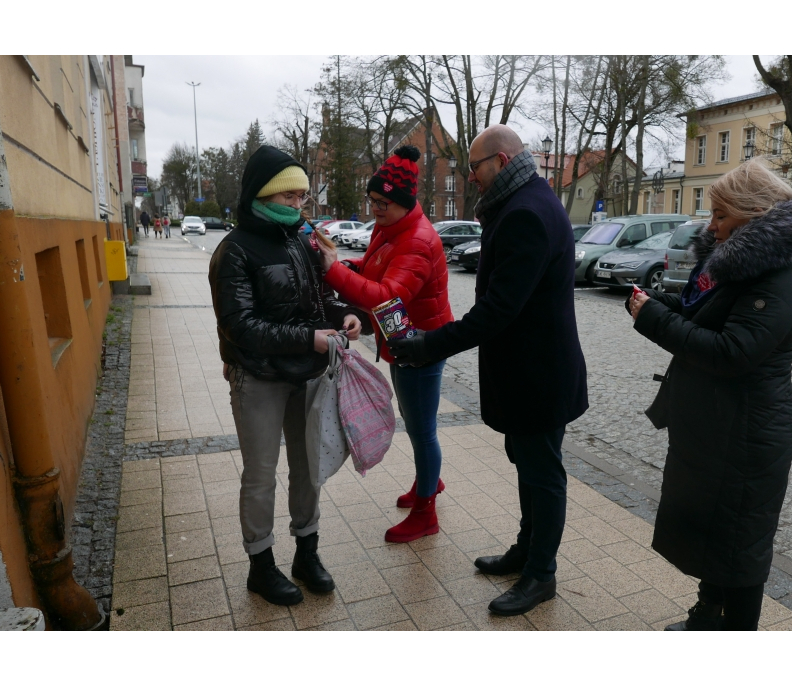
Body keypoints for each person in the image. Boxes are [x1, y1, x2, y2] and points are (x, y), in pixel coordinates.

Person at [388, 125, 588, 617]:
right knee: (528, 466)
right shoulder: (525, 200)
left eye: (473, 167)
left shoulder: (526, 213)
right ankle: (527, 550)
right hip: (529, 371)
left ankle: (541, 574)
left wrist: (429, 344)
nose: (470, 177)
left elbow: (499, 310)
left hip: (538, 374)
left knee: (543, 474)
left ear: (500, 160)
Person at [627, 159, 792, 631]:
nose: (710, 225)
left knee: (739, 547)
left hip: (747, 435)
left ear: (754, 213)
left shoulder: (778, 277)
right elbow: (708, 319)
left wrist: (653, 320)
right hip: (717, 427)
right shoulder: (734, 267)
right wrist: (659, 305)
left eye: (720, 215)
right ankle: (706, 617)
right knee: (711, 534)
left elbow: (732, 352)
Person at [208, 145, 369, 607]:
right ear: (263, 195)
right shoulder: (234, 250)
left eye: (302, 197)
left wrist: (346, 317)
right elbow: (241, 326)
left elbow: (318, 302)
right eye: (290, 197)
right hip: (257, 376)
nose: (300, 206)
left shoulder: (302, 240)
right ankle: (261, 566)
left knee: (306, 469)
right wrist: (309, 338)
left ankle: (307, 555)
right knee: (260, 475)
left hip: (307, 374)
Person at [317, 145, 453, 544]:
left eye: (381, 201)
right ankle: (430, 482)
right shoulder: (391, 228)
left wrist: (334, 272)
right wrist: (341, 263)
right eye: (371, 200)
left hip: (421, 347)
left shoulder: (418, 241)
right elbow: (375, 270)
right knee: (417, 426)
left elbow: (387, 295)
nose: (374, 208)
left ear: (401, 202)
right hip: (404, 342)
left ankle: (426, 512)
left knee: (423, 431)